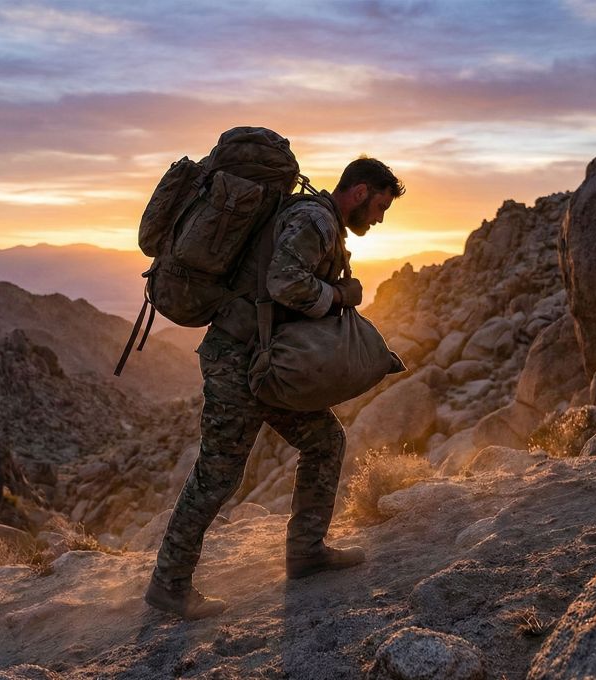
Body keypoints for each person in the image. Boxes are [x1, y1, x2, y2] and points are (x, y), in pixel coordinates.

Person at [145, 157, 405, 619]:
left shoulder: (315, 218)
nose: (380, 218)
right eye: (380, 206)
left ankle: (306, 551)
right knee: (218, 473)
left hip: (266, 362)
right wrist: (341, 297)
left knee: (325, 441)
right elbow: (286, 283)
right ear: (360, 192)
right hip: (238, 361)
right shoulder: (315, 220)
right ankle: (169, 583)